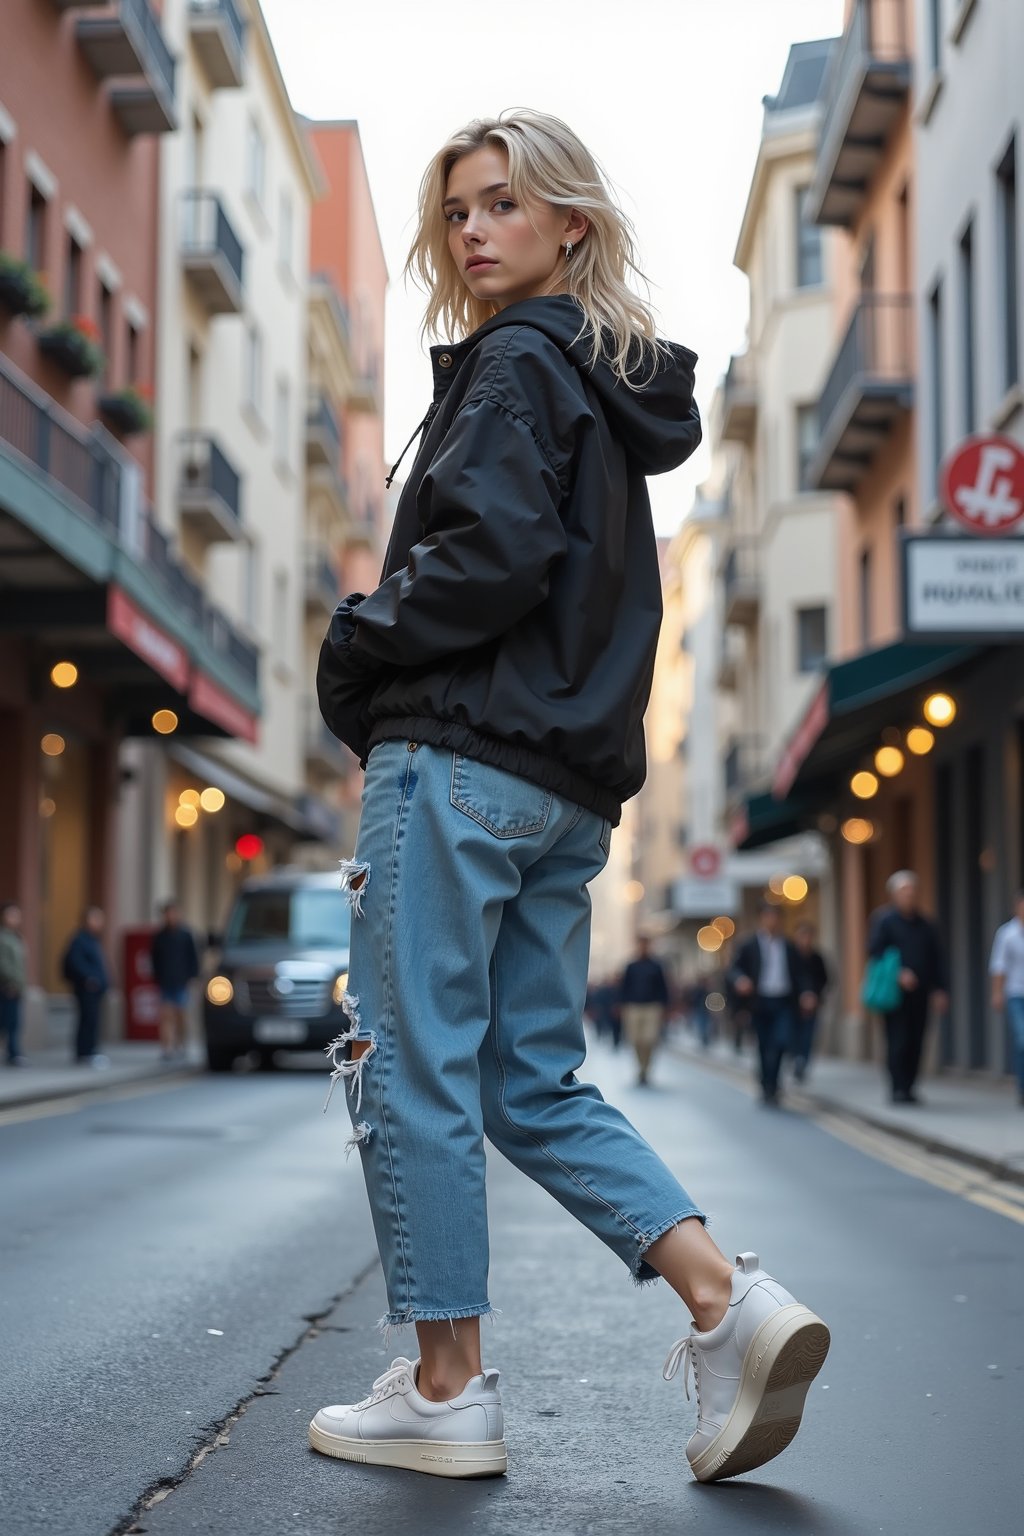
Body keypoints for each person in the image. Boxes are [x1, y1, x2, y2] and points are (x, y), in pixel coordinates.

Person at [313, 108, 829, 1486]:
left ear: (569, 226)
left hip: (460, 762)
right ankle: (728, 1299)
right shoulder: (604, 389)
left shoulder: (512, 369)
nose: (474, 232)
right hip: (564, 793)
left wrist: (355, 643)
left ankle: (444, 1388)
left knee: (411, 1068)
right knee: (528, 1082)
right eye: (459, 212)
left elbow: (485, 562)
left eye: (503, 206)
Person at [868, 871, 948, 1105]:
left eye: (913, 891)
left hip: (921, 992)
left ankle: (910, 1086)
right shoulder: (884, 921)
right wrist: (898, 973)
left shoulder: (926, 925)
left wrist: (941, 988)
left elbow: (937, 959)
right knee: (897, 1039)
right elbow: (874, 951)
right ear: (894, 894)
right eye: (904, 891)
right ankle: (897, 1087)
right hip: (894, 994)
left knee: (917, 1040)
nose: (909, 895)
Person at [730, 902, 800, 1106]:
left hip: (783, 1001)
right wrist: (740, 980)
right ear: (761, 919)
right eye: (768, 916)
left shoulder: (788, 945)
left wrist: (806, 992)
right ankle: (766, 1084)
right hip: (759, 1001)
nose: (772, 921)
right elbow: (734, 969)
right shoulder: (748, 944)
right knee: (763, 1044)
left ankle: (775, 1082)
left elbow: (799, 973)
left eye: (776, 917)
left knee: (780, 1042)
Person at [151, 900, 199, 1062]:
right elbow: (154, 959)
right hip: (165, 981)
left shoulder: (185, 935)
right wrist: (157, 977)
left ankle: (181, 1044)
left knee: (181, 1016)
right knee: (166, 1016)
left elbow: (193, 958)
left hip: (182, 981)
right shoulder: (159, 937)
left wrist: (192, 977)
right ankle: (167, 1048)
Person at [619, 936, 670, 1085]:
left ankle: (646, 1069)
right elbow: (624, 987)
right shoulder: (631, 966)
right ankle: (640, 1067)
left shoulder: (657, 966)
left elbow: (663, 988)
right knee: (635, 1040)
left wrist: (665, 1007)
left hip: (653, 1007)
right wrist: (621, 1006)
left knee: (650, 1039)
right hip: (633, 1006)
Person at [62, 907, 110, 1066]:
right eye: (94, 918)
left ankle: (90, 1050)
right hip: (86, 988)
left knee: (93, 1020)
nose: (98, 923)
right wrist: (89, 978)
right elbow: (75, 963)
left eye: (100, 919)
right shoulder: (79, 939)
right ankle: (84, 1052)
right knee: (87, 1020)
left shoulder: (94, 939)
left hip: (96, 989)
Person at [990, 889, 1024, 1107]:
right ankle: (1022, 1088)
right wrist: (997, 993)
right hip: (1015, 994)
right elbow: (998, 966)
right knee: (1022, 1039)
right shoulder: (1007, 933)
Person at [790, 922, 830, 1082]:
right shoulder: (790, 956)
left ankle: (803, 1062)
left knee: (808, 1036)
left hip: (813, 1005)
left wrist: (815, 997)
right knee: (793, 1035)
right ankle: (795, 1058)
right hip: (793, 1005)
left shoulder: (817, 958)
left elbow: (825, 979)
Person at [0, 901, 27, 1066]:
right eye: (11, 914)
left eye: (17, 915)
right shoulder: (3, 938)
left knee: (14, 1022)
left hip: (16, 987)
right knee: (7, 1021)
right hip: (7, 987)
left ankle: (14, 1052)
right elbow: (3, 964)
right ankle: (13, 1053)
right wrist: (11, 981)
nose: (15, 918)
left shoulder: (16, 937)